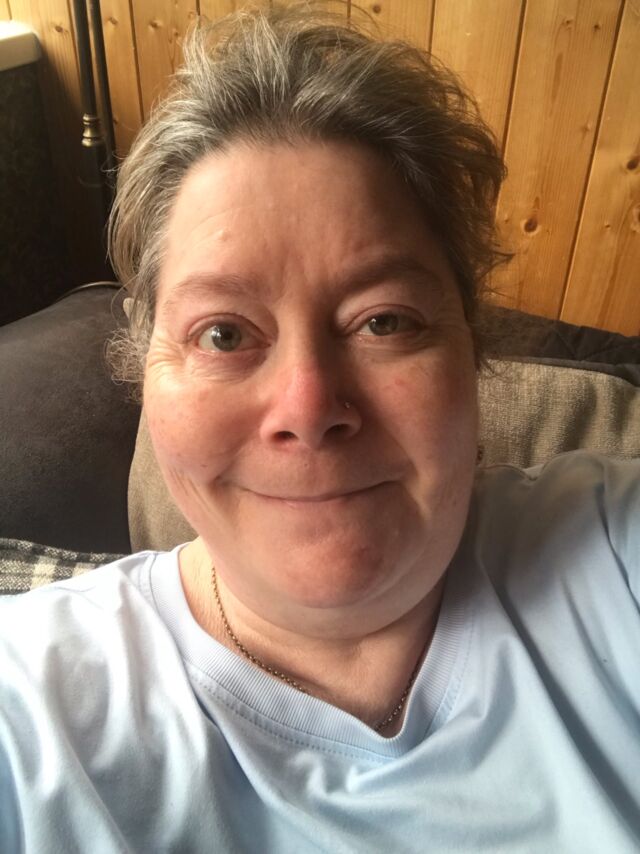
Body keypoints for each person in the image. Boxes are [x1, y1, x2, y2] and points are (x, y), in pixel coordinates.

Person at [1, 3, 639, 851]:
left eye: (384, 321)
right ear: (142, 371)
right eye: (223, 334)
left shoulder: (613, 554)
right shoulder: (31, 704)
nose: (307, 408)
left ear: (473, 354)